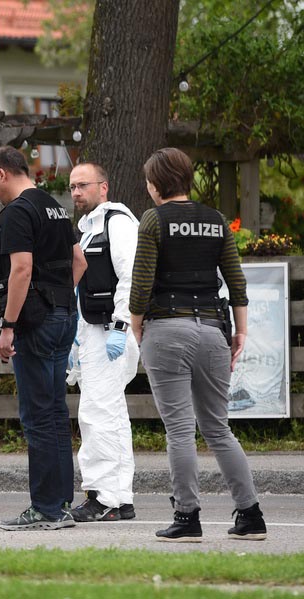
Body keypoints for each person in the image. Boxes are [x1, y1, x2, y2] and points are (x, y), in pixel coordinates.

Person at [130, 147, 266, 542]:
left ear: (156, 184)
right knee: (218, 428)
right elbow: (236, 283)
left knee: (179, 429)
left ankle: (187, 517)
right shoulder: (216, 220)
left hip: (167, 327)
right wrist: (239, 332)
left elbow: (141, 285)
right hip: (213, 328)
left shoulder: (154, 220)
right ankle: (250, 515)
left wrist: (137, 329)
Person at [0, 146, 86, 531]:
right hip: (65, 317)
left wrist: (9, 324)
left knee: (37, 416)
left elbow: (21, 269)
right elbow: (80, 263)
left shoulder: (16, 212)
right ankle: (60, 503)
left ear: (3, 173)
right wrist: (58, 297)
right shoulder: (55, 205)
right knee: (56, 412)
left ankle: (44, 508)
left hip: (36, 324)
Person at [66, 162, 141, 523]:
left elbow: (131, 277)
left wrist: (121, 326)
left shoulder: (118, 224)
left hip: (112, 332)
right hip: (93, 332)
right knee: (111, 414)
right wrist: (77, 341)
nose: (77, 192)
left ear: (104, 187)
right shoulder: (88, 230)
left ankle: (103, 497)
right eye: (72, 187)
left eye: (83, 185)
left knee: (97, 413)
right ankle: (119, 498)